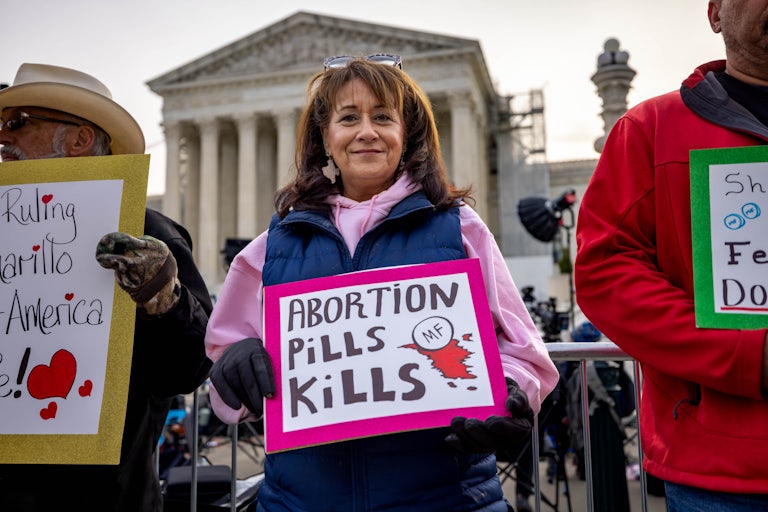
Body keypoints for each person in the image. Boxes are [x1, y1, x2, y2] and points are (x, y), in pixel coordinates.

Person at [205, 54, 560, 512]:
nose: (366, 131)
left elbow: (524, 350)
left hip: (444, 498)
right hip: (304, 500)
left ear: (406, 135)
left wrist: (508, 392)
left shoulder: (460, 229)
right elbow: (226, 392)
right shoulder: (269, 250)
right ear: (325, 138)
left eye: (383, 117)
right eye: (349, 118)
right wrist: (235, 368)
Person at [574, 1, 768, 510]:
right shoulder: (650, 129)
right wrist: (749, 355)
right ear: (716, 13)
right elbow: (607, 272)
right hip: (726, 471)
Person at [0, 63, 212, 511]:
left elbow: (190, 368)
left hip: (103, 498)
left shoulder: (147, 229)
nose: (3, 137)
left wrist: (163, 299)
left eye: (17, 123)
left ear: (78, 140)